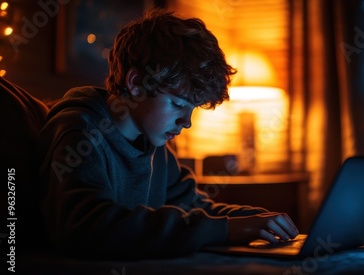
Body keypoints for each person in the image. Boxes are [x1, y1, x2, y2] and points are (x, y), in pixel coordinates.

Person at [35, 8, 298, 259]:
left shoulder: (155, 145)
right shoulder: (79, 130)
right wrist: (225, 230)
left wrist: (258, 219)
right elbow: (86, 226)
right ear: (136, 84)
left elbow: (195, 208)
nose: (187, 122)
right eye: (178, 104)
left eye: (192, 108)